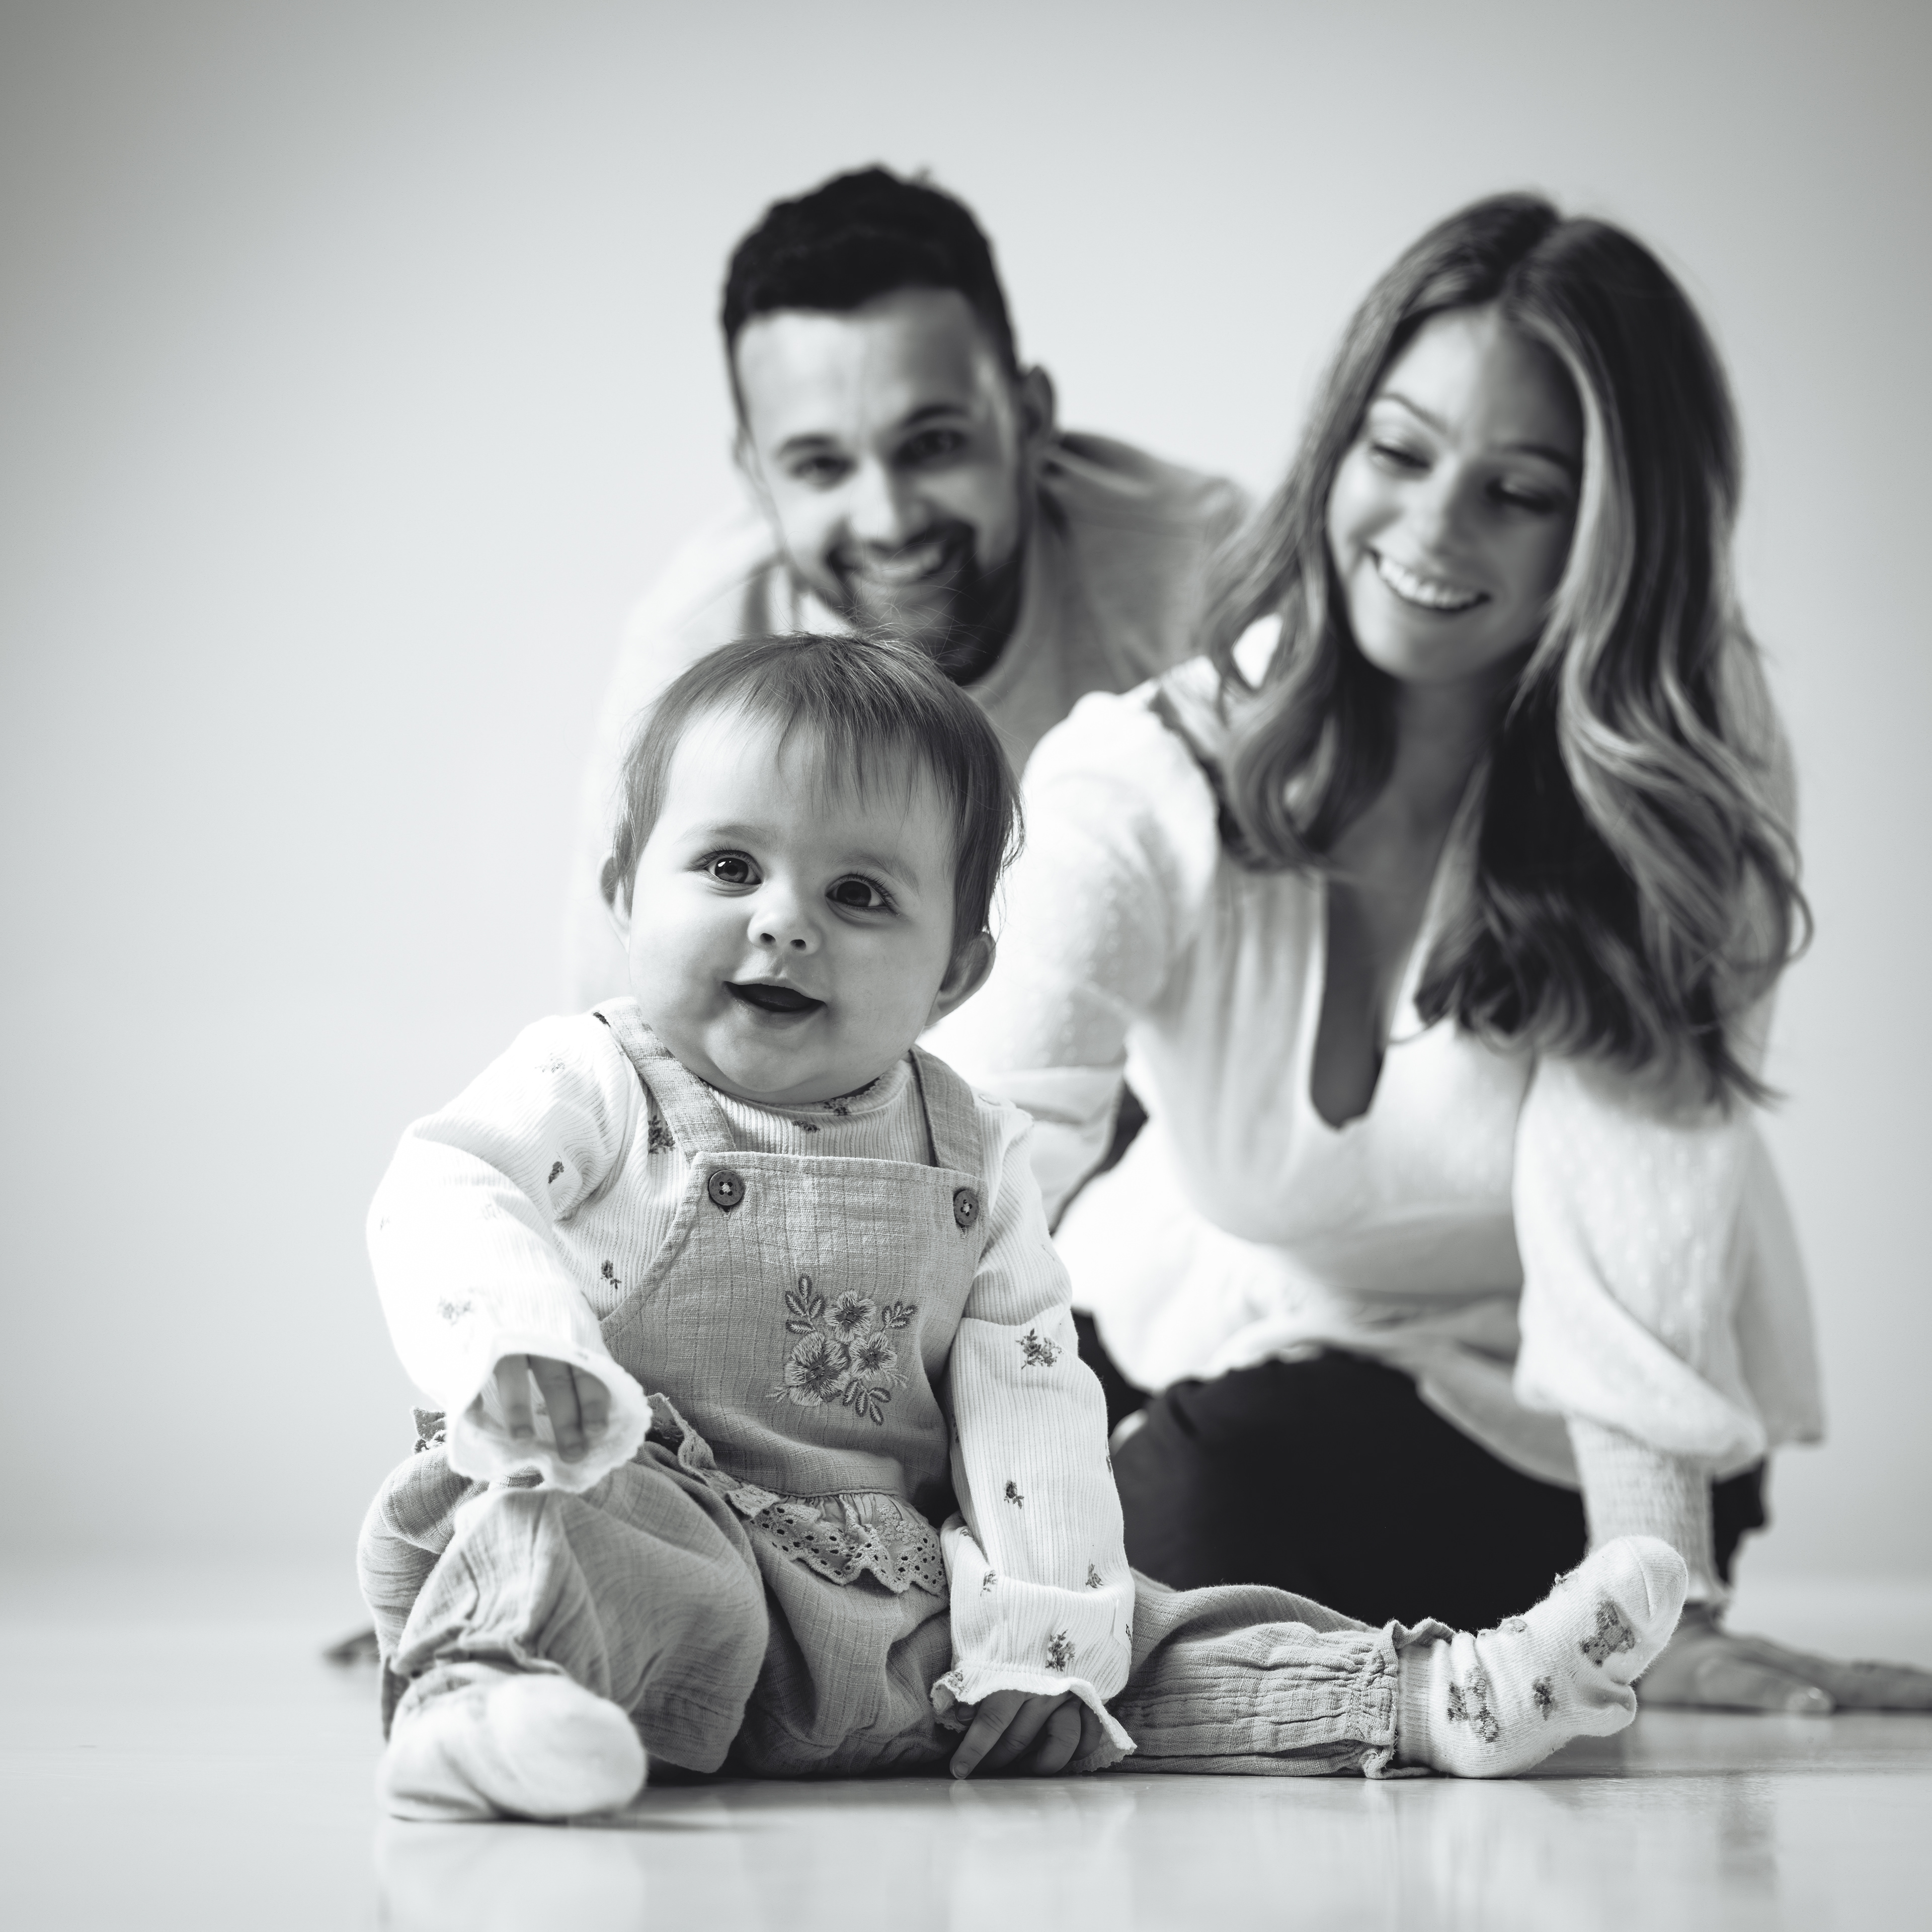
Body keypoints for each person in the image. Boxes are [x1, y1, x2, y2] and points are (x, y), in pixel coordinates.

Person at [358, 633, 1688, 1821]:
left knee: (1144, 1640)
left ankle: (1434, 1699)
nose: (784, 921)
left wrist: (1044, 1636)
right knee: (591, 1535)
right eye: (728, 866)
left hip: (895, 1617)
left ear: (957, 971)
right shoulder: (596, 1078)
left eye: (860, 895)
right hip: (676, 1558)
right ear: (625, 891)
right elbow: (452, 1184)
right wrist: (524, 1355)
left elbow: (1030, 1398)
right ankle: (490, 1703)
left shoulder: (972, 1150)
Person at [930, 195, 1932, 1713]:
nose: (1434, 530)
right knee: (965, 1536)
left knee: (1175, 1542)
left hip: (1545, 1409)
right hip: (1227, 1309)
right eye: (1398, 454)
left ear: (1612, 540)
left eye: (1517, 493)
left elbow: (1637, 1227)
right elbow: (973, 1156)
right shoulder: (1141, 781)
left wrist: (1647, 1598)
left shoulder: (1665, 801)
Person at [560, 166, 1245, 1010]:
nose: (888, 519)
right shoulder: (693, 650)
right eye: (821, 465)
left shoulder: (1214, 572)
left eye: (933, 445)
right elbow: (629, 1017)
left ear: (1030, 420)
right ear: (758, 475)